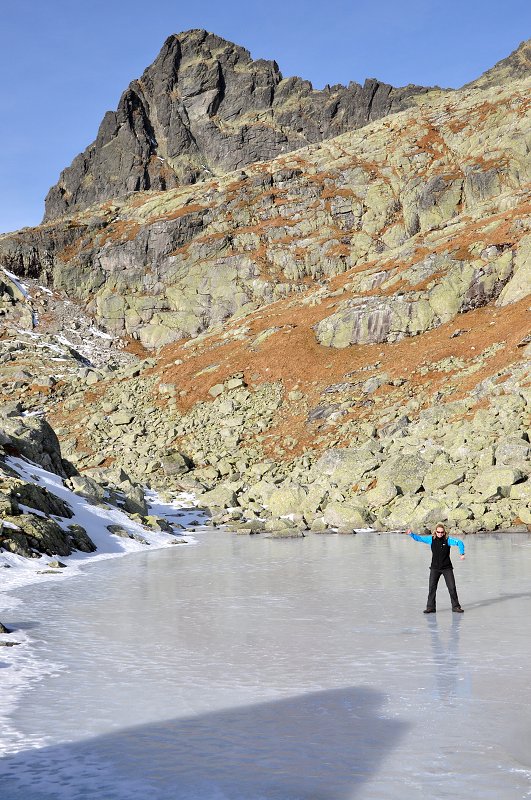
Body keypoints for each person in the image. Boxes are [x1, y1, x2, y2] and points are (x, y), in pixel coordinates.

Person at [404, 524, 465, 613]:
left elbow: (459, 543)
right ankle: (430, 607)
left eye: (442, 532)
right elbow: (420, 539)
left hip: (447, 568)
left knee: (452, 588)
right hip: (435, 568)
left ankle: (456, 607)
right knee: (432, 588)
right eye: (438, 532)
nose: (440, 534)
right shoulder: (431, 539)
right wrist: (411, 534)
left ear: (444, 533)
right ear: (435, 532)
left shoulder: (448, 540)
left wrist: (462, 553)